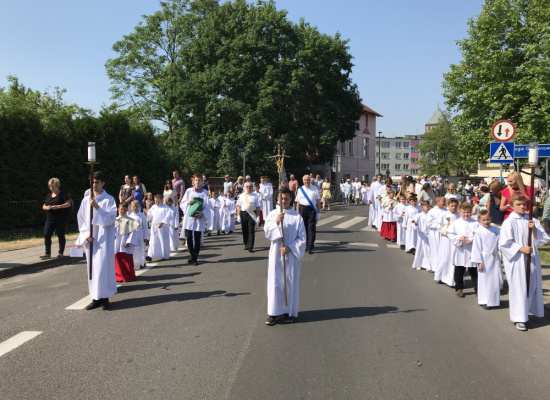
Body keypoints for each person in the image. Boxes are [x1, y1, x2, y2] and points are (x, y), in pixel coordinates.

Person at [499, 195, 550, 331]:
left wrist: (533, 229)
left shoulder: (531, 220)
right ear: (512, 206)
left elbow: (544, 239)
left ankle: (529, 310)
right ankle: (519, 317)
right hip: (517, 260)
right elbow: (504, 243)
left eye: (523, 204)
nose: (522, 206)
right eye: (518, 204)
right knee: (519, 286)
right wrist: (520, 248)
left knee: (532, 285)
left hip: (532, 258)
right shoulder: (509, 222)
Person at [264, 187, 307, 325]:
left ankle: (287, 312)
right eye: (281, 198)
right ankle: (273, 313)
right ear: (277, 199)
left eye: (286, 198)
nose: (284, 201)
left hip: (290, 257)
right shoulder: (272, 215)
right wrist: (276, 222)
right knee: (275, 283)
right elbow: (267, 233)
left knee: (288, 283)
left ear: (291, 199)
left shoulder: (297, 217)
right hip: (276, 255)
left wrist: (290, 248)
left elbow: (302, 238)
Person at [75, 171, 117, 311]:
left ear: (102, 183)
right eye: (92, 182)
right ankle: (95, 298)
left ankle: (105, 298)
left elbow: (111, 219)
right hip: (91, 240)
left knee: (102, 268)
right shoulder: (85, 200)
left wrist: (97, 207)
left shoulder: (109, 199)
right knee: (92, 269)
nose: (94, 185)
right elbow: (81, 219)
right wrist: (85, 234)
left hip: (104, 239)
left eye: (97, 182)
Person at [471, 210, 502, 310]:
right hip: (484, 258)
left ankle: (494, 300)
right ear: (479, 220)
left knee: (495, 279)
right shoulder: (478, 232)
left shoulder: (496, 230)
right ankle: (484, 300)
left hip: (494, 257)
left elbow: (500, 243)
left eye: (488, 219)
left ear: (491, 219)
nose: (486, 222)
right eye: (483, 220)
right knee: (485, 279)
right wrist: (479, 261)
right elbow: (476, 247)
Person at [447, 202, 478, 298]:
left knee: (474, 271)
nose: (466, 214)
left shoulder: (476, 223)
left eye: (468, 212)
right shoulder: (456, 223)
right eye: (464, 212)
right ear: (460, 212)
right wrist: (458, 238)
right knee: (459, 270)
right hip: (460, 250)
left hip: (472, 249)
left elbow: (479, 235)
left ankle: (478, 288)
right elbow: (450, 234)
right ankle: (459, 288)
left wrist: (472, 240)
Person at [181, 173, 211, 265]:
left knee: (197, 238)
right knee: (189, 237)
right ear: (193, 181)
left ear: (202, 181)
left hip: (199, 218)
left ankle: (195, 257)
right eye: (196, 180)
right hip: (189, 219)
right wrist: (188, 202)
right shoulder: (189, 191)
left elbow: (208, 207)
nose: (198, 182)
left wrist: (203, 213)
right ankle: (191, 253)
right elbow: (182, 203)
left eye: (200, 180)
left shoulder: (204, 193)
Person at [41, 177, 71, 259]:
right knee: (47, 234)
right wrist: (46, 208)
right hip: (50, 219)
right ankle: (47, 253)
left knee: (60, 234)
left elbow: (68, 204)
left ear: (57, 186)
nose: (51, 188)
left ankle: (60, 252)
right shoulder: (48, 195)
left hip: (61, 219)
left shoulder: (62, 194)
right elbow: (44, 205)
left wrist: (58, 206)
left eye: (53, 186)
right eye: (50, 186)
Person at [295, 174, 321, 254]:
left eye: (308, 180)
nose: (307, 181)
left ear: (310, 180)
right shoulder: (300, 189)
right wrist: (297, 213)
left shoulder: (315, 189)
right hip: (303, 209)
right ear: (303, 181)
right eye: (305, 180)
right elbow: (298, 203)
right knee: (303, 228)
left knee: (311, 228)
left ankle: (310, 246)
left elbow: (318, 202)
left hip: (312, 210)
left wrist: (318, 212)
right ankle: (305, 245)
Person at [114, 202, 138, 283]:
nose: (123, 211)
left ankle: (129, 275)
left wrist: (129, 241)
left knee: (127, 260)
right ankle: (119, 276)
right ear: (118, 209)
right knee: (118, 259)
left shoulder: (131, 220)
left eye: (124, 210)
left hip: (126, 243)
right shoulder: (115, 220)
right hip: (117, 243)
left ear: (127, 210)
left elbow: (133, 232)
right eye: (121, 209)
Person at [438, 198, 460, 287]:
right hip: (446, 239)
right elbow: (438, 226)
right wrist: (446, 228)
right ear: (448, 206)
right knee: (445, 258)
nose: (454, 208)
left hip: (455, 240)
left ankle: (453, 279)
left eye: (455, 206)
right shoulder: (444, 215)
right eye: (452, 206)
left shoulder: (459, 215)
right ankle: (442, 277)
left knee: (454, 259)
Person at [237, 181, 261, 252]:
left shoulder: (255, 196)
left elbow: (257, 207)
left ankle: (250, 246)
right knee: (245, 230)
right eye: (247, 186)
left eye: (250, 186)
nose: (248, 188)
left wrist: (258, 216)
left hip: (252, 214)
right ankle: (246, 244)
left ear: (252, 187)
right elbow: (238, 206)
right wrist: (238, 215)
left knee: (251, 230)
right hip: (243, 213)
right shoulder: (242, 196)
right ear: (245, 187)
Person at [146, 194, 172, 261]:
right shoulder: (154, 207)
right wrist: (146, 215)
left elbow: (169, 216)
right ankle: (150, 255)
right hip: (155, 227)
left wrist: (162, 222)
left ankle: (165, 255)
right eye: (155, 201)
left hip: (163, 227)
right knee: (153, 240)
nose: (157, 203)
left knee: (163, 241)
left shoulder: (166, 208)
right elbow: (149, 216)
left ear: (162, 200)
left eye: (158, 201)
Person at [129, 199, 149, 269]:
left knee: (141, 249)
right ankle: (133, 262)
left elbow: (145, 226)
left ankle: (142, 262)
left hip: (140, 235)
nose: (135, 208)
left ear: (139, 207)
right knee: (133, 250)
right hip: (132, 235)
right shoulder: (130, 216)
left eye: (136, 207)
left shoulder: (141, 216)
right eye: (133, 206)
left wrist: (145, 236)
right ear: (131, 207)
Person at [411, 201, 431, 271]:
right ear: (422, 207)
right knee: (420, 249)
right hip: (421, 235)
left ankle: (427, 265)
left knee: (428, 250)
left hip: (428, 235)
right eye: (427, 207)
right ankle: (418, 264)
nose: (428, 208)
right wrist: (415, 224)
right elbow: (412, 221)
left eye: (429, 207)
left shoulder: (430, 215)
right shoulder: (419, 215)